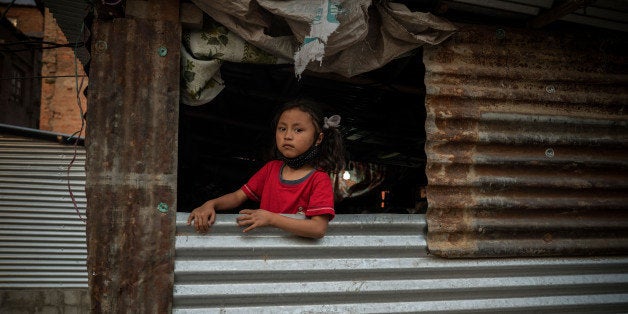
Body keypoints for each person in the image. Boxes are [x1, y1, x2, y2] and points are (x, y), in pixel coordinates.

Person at [187, 99, 345, 239]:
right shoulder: (271, 169)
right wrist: (211, 204)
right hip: (265, 250)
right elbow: (237, 196)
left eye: (298, 130)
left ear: (318, 139)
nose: (287, 136)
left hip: (295, 257)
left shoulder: (318, 179)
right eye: (282, 128)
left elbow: (318, 228)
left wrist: (271, 219)